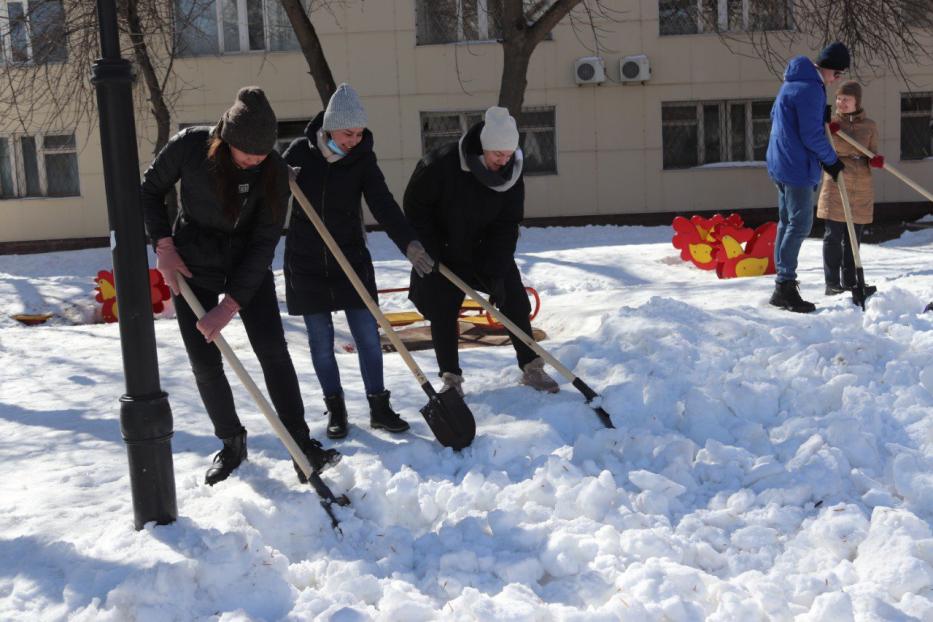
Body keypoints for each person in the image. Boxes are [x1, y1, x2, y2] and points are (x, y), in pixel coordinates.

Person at [140, 86, 340, 486]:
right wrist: (163, 244)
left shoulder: (274, 172)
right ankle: (231, 443)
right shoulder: (190, 147)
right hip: (191, 262)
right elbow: (149, 189)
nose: (253, 162)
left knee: (273, 350)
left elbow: (266, 240)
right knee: (204, 359)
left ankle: (299, 441)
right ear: (226, 139)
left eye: (261, 155)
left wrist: (230, 305)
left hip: (247, 261)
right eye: (246, 154)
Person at [283, 83, 434, 439]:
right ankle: (336, 408)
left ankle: (379, 407)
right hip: (306, 261)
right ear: (330, 127)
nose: (354, 139)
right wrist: (278, 182)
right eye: (349, 133)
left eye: (360, 133)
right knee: (321, 342)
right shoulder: (298, 154)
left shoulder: (362, 159)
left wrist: (409, 243)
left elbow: (383, 203)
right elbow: (267, 199)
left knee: (368, 334)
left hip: (349, 257)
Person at [403, 106, 559, 396]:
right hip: (444, 249)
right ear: (483, 147)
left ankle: (532, 366)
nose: (503, 160)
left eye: (508, 154)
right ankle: (451, 380)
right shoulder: (441, 164)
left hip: (485, 249)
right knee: (443, 309)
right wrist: (431, 251)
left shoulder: (511, 172)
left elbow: (507, 223)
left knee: (514, 298)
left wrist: (498, 271)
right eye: (497, 154)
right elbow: (415, 209)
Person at [766, 42, 850, 313]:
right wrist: (831, 161)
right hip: (796, 166)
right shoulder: (811, 89)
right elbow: (812, 136)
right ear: (829, 69)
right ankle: (785, 286)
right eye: (838, 74)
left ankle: (782, 282)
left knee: (786, 221)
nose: (837, 80)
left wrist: (816, 115)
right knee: (800, 224)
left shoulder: (792, 82)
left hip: (780, 161)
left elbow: (776, 116)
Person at [817, 80, 882, 297]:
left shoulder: (870, 126)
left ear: (857, 101)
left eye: (847, 99)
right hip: (837, 180)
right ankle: (832, 282)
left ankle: (851, 281)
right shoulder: (829, 123)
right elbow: (825, 148)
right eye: (839, 98)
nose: (841, 102)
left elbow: (871, 152)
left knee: (854, 237)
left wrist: (874, 160)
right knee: (833, 235)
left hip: (861, 185)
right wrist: (833, 131)